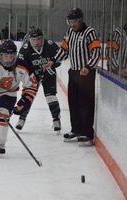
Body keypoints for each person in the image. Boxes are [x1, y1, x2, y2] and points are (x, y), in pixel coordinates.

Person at [43, 8, 101, 146]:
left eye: (74, 21)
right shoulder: (69, 32)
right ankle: (76, 129)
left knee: (85, 104)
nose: (72, 24)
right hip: (74, 72)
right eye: (70, 21)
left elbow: (96, 51)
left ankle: (87, 133)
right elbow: (64, 50)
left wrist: (88, 66)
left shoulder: (90, 32)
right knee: (73, 103)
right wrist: (53, 61)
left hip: (86, 73)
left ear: (81, 20)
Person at [14, 27, 61, 134]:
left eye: (39, 39)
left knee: (51, 96)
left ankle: (56, 119)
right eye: (34, 39)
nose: (36, 42)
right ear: (30, 39)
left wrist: (52, 67)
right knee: (28, 96)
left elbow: (59, 58)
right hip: (32, 76)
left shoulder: (50, 45)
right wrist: (30, 76)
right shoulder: (25, 49)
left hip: (49, 74)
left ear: (42, 38)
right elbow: (22, 66)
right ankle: (21, 118)